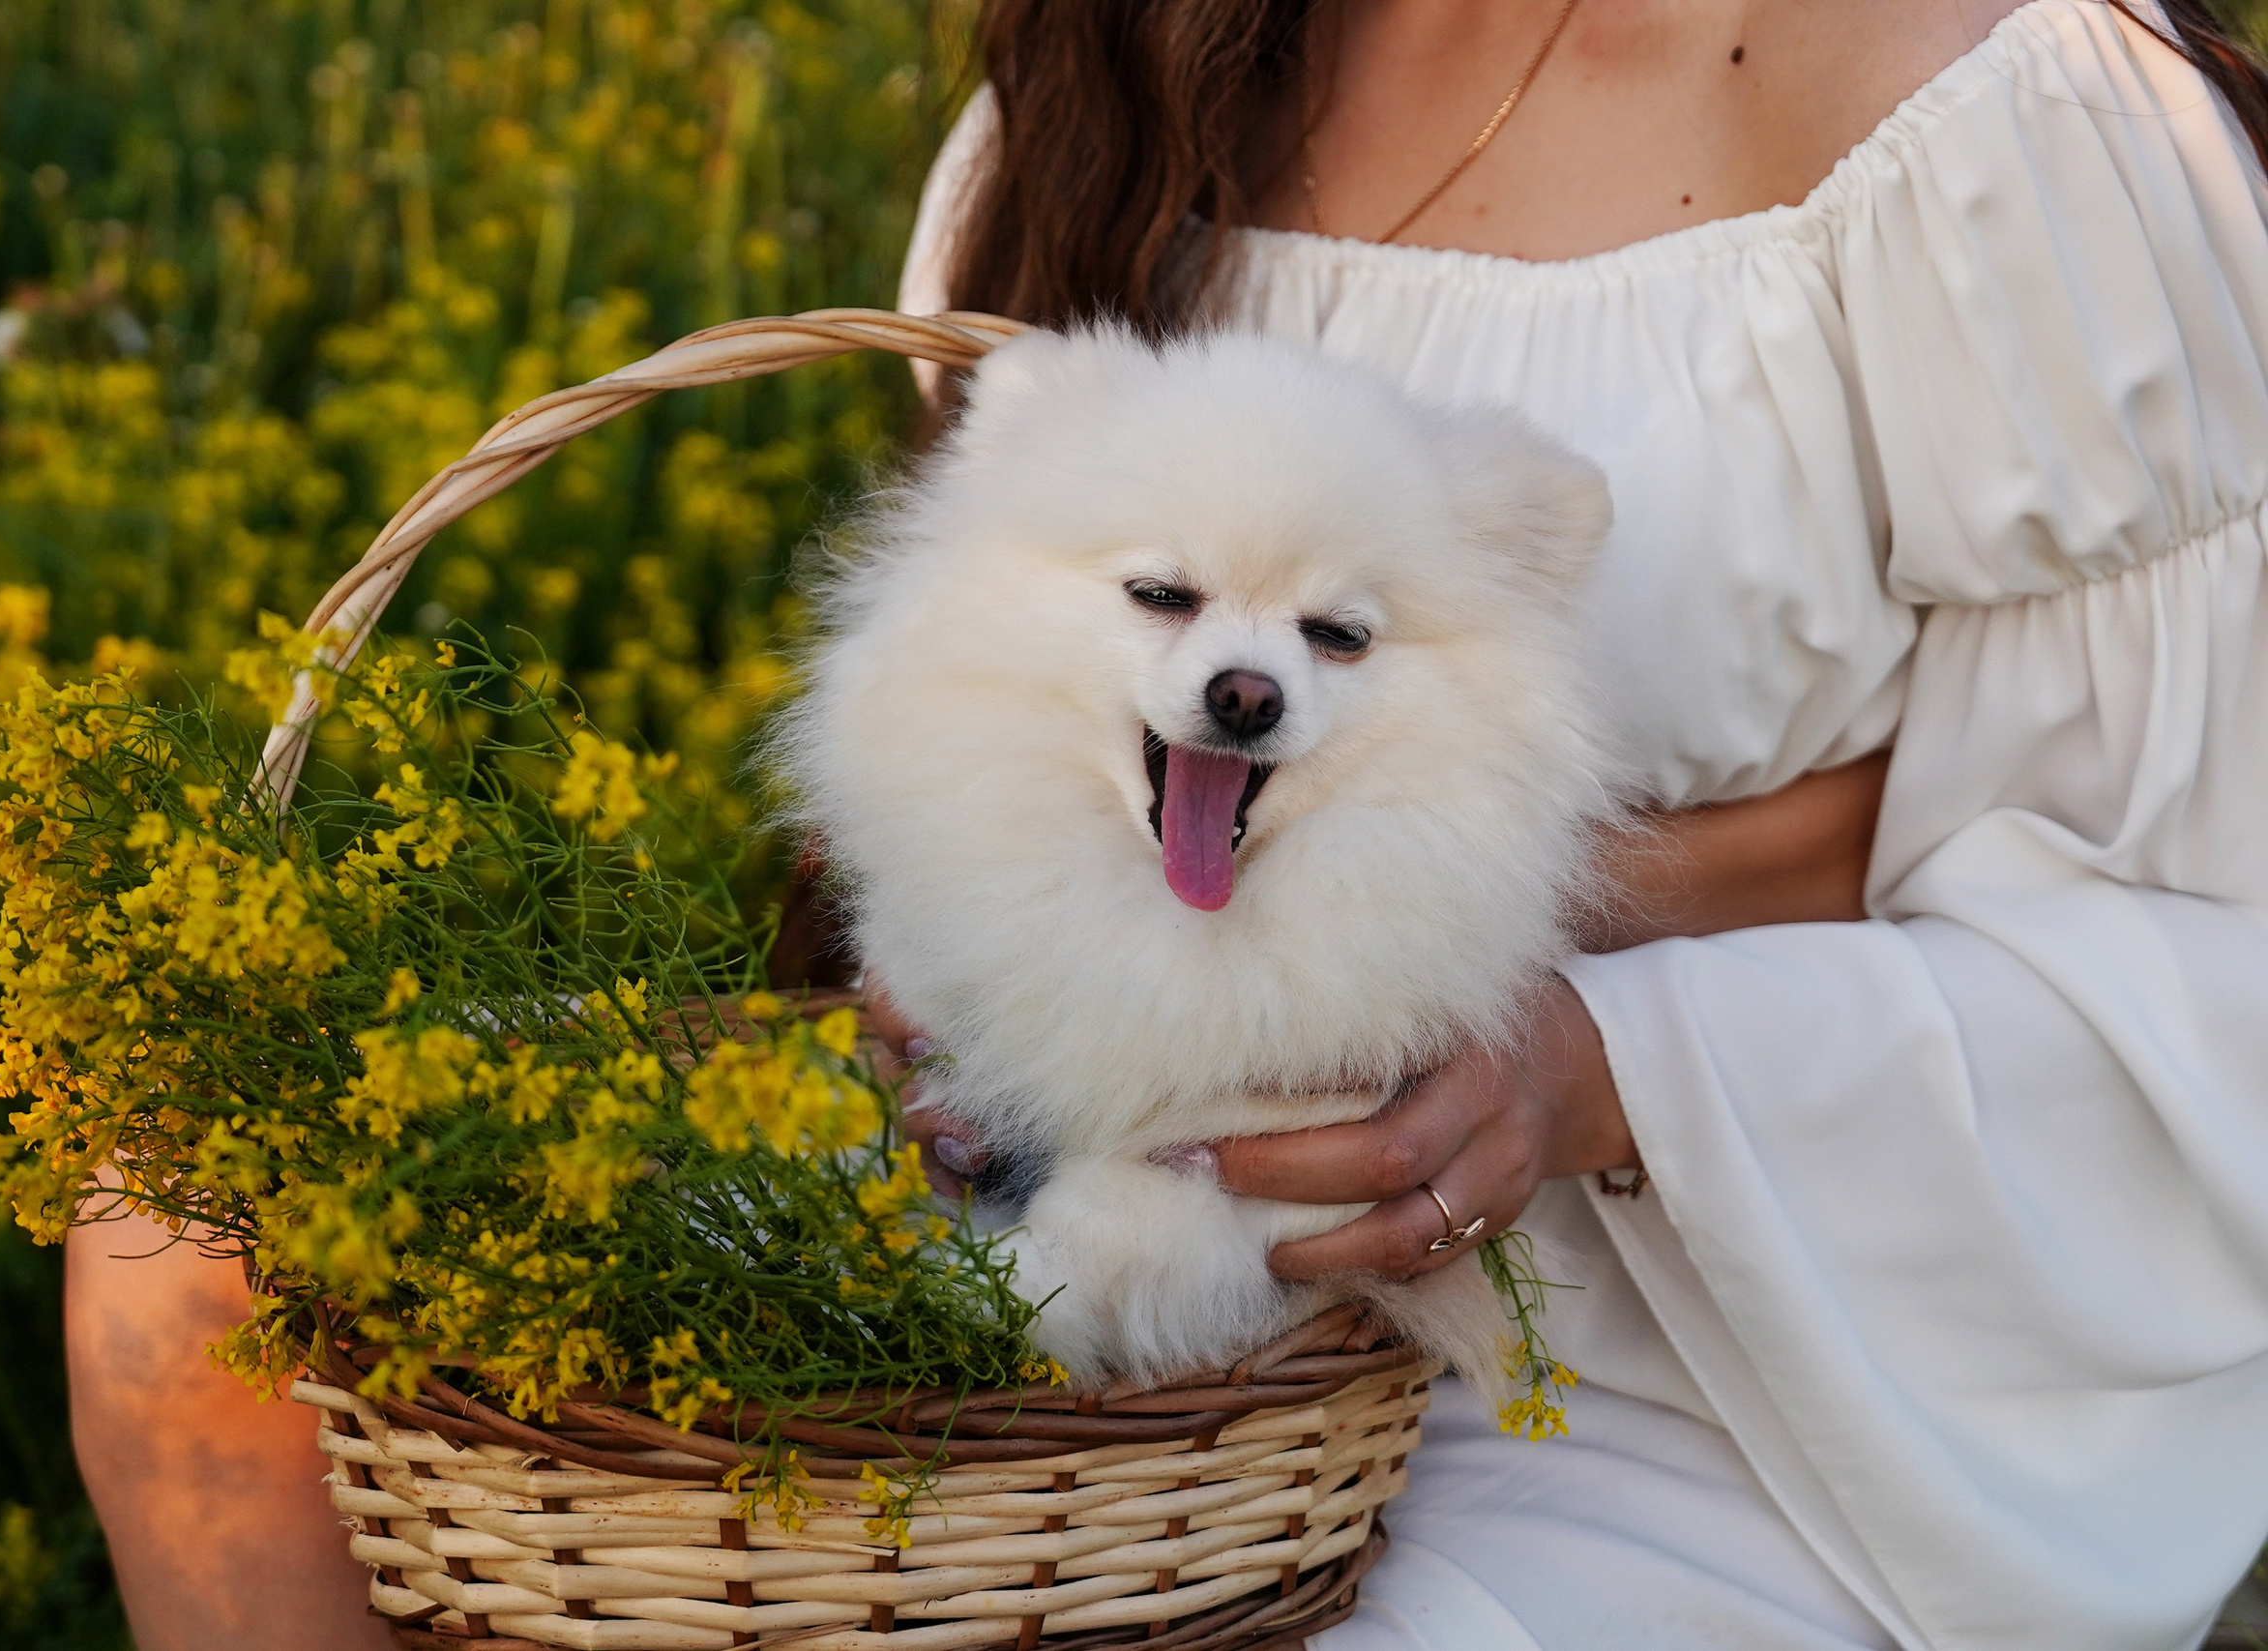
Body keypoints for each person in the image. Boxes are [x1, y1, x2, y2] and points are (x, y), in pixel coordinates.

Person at [882, 0, 2268, 1646]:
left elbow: (2192, 912)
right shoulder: (1108, 69)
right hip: (1150, 1396)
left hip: (1743, 1390)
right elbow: (986, 678)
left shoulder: (2015, 120)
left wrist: (1596, 1066)